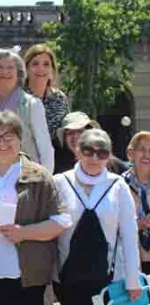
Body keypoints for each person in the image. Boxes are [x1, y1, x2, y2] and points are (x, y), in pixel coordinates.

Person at [0, 111, 71, 305]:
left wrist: (24, 233)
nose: (2, 143)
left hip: (26, 279)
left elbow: (60, 222)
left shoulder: (40, 177)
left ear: (20, 140)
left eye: (9, 137)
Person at [54, 129, 141, 305]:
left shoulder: (118, 185)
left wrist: (133, 281)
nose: (94, 158)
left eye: (101, 153)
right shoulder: (59, 182)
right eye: (88, 151)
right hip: (66, 277)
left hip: (109, 278)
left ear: (108, 157)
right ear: (78, 151)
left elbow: (129, 235)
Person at [0, 50, 54, 173]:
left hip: (27, 177)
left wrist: (45, 182)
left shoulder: (32, 104)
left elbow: (45, 149)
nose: (5, 72)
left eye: (10, 68)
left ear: (19, 74)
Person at [55, 111, 127, 175]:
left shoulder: (113, 165)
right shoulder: (57, 166)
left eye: (80, 131)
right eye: (70, 133)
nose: (75, 136)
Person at [23, 44, 70, 138]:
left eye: (46, 64)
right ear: (26, 69)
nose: (41, 69)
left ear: (52, 70)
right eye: (35, 64)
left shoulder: (59, 98)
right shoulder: (17, 97)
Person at [123, 131, 150, 274]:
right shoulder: (119, 184)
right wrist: (136, 225)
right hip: (131, 259)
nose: (146, 155)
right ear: (131, 153)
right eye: (142, 149)